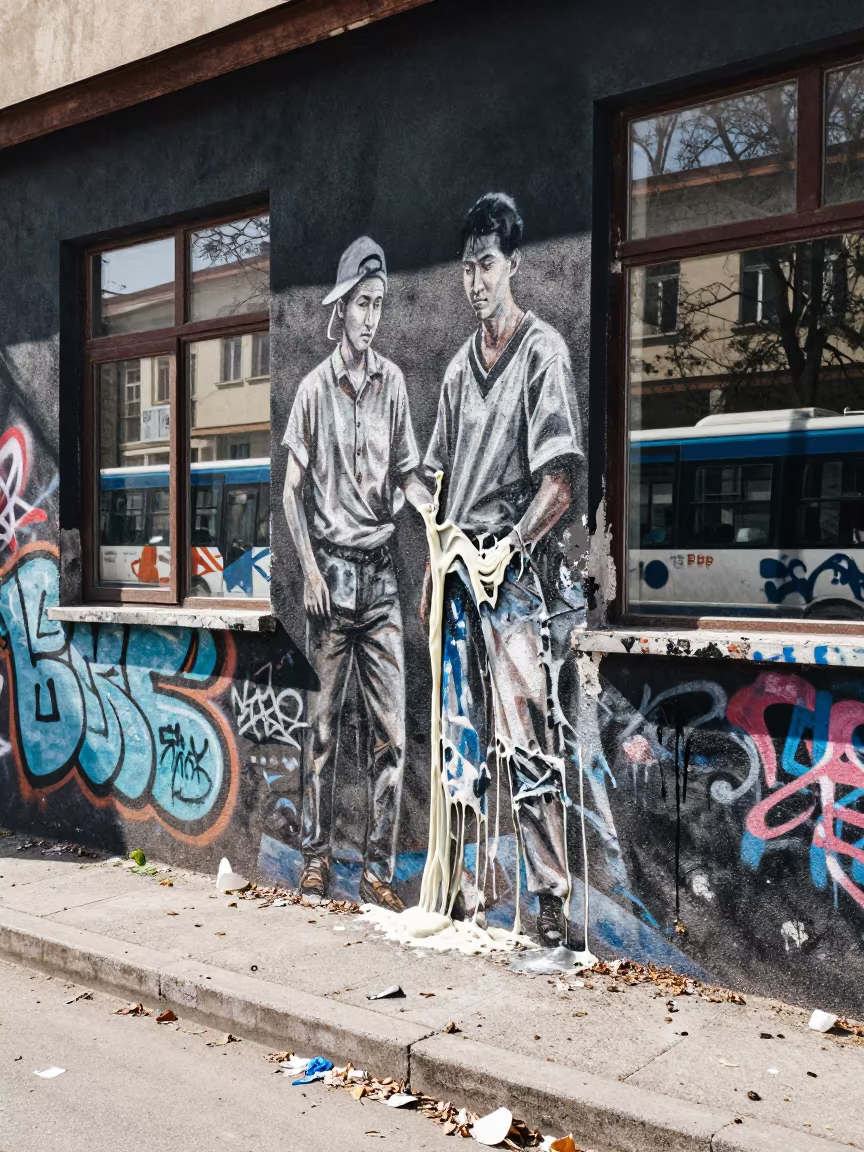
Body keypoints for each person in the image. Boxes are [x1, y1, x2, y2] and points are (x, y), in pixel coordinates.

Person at [422, 193, 584, 947]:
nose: (474, 280)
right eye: (465, 267)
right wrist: (436, 537)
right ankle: (462, 890)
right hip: (460, 575)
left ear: (512, 265)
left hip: (514, 575)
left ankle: (550, 900)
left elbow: (560, 480)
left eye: (486, 264)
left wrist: (509, 547)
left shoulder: (542, 352)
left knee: (526, 735)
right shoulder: (458, 370)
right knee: (460, 736)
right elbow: (434, 475)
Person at [283, 236, 432, 910]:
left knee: (392, 737)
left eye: (379, 305)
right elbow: (291, 490)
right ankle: (316, 858)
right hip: (332, 581)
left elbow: (408, 473)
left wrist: (433, 509)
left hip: (381, 583)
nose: (371, 317)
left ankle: (375, 870)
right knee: (321, 732)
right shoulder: (314, 390)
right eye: (362, 304)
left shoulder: (393, 383)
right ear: (339, 307)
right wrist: (309, 571)